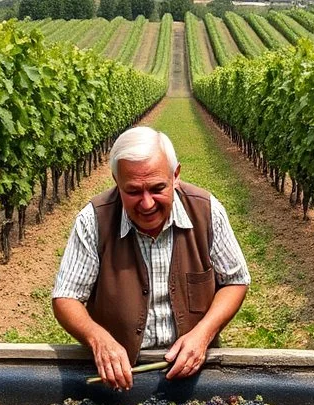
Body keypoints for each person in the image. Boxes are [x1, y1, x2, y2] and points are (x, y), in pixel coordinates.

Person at [51, 127, 250, 389]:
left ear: (175, 175)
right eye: (133, 191)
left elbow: (235, 281)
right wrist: (99, 339)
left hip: (193, 373)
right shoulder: (94, 220)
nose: (146, 204)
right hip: (119, 380)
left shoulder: (207, 211)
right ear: (116, 180)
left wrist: (203, 335)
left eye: (157, 188)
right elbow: (66, 297)